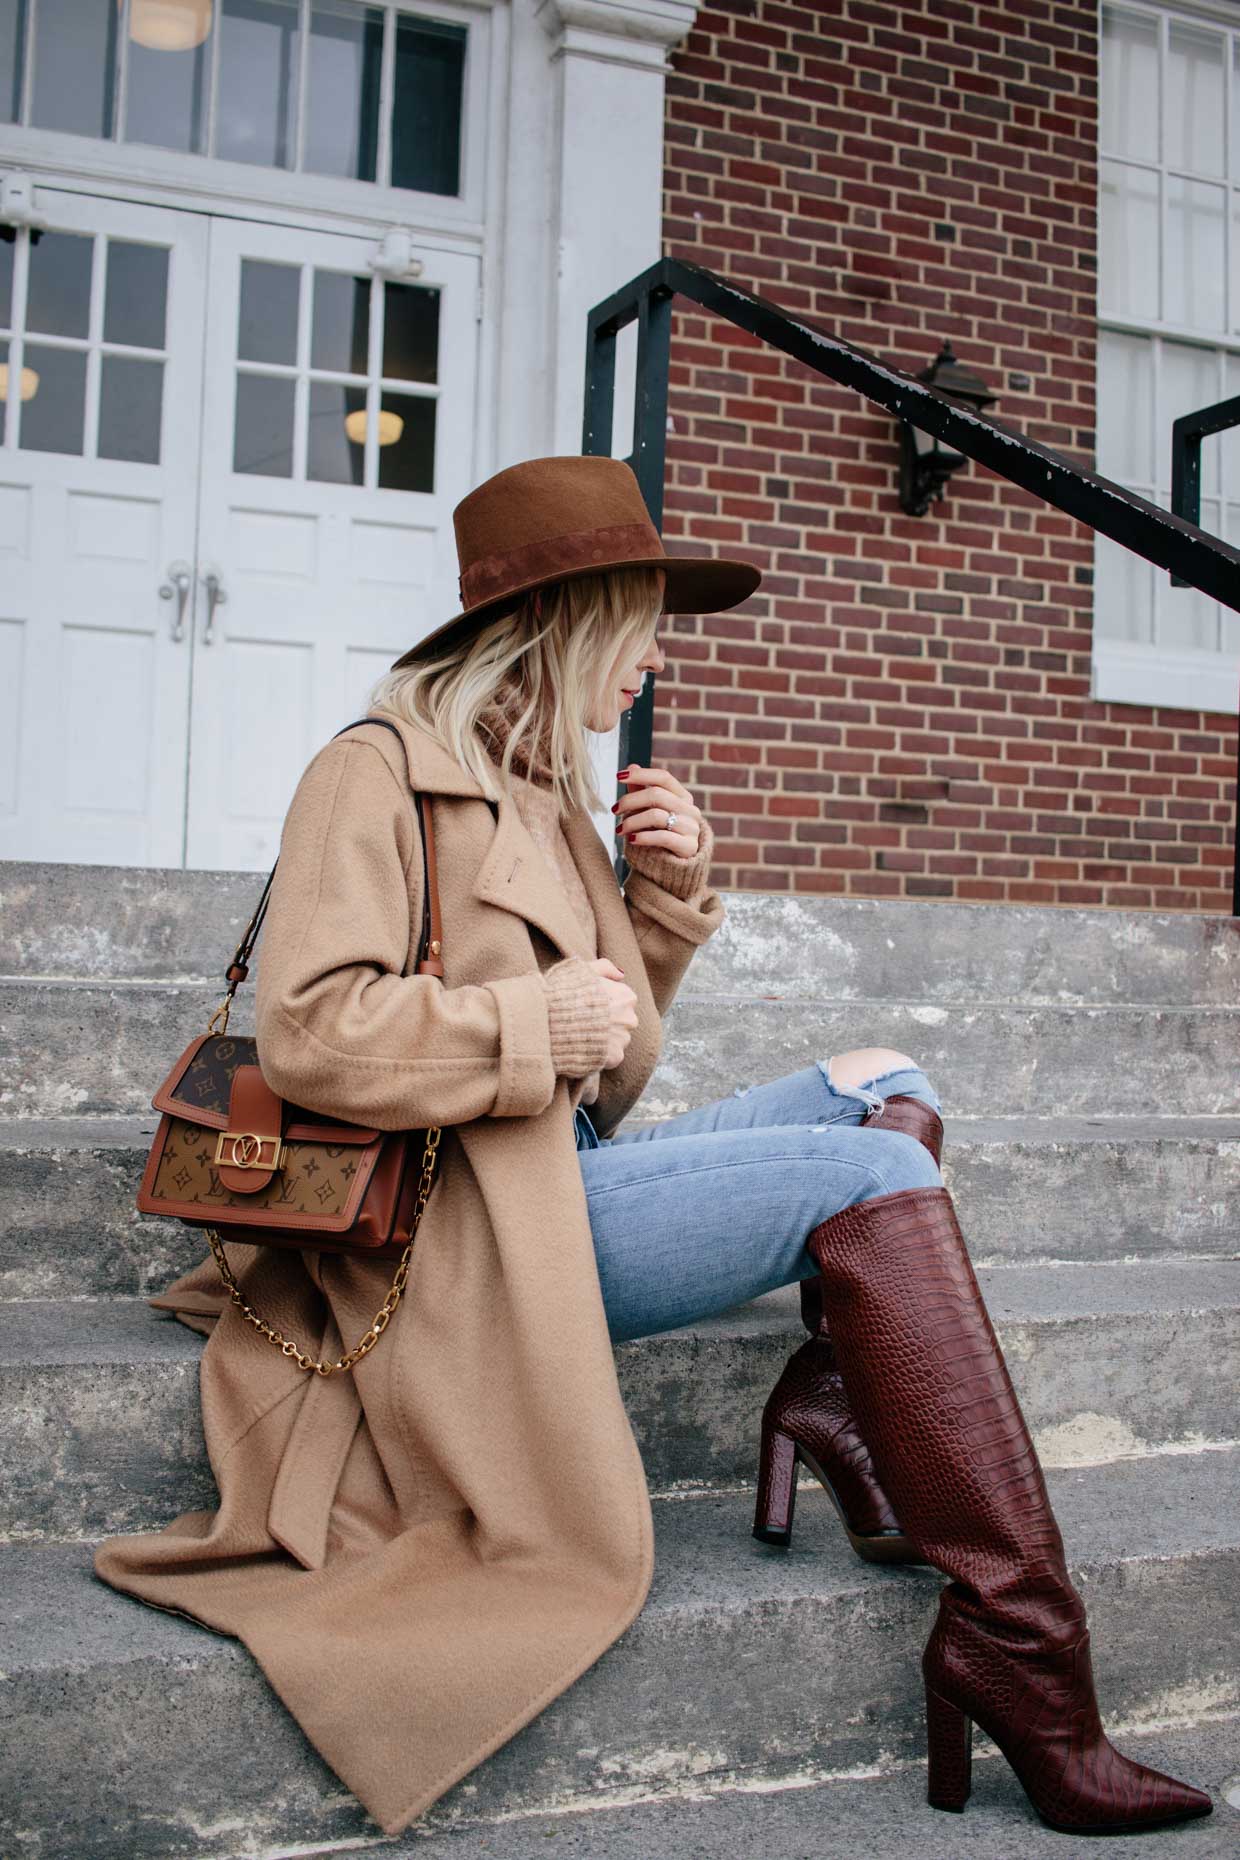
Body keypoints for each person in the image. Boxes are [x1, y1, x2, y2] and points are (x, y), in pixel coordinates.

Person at [94, 455, 1211, 1841]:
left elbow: (610, 1079)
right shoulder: (373, 773)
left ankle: (838, 1409)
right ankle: (1027, 1656)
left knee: (891, 1087)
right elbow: (314, 1035)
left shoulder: (552, 794)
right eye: (644, 620)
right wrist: (524, 1016)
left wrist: (663, 901)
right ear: (570, 620)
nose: (658, 657)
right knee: (878, 1173)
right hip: (466, 1241)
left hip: (560, 1177)